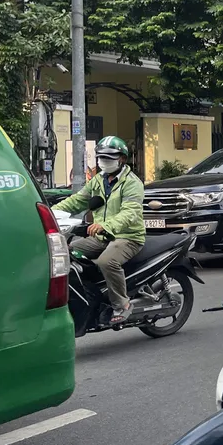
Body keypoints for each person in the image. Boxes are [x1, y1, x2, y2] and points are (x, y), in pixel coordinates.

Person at [53, 136, 145, 324]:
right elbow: (77, 201)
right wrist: (50, 213)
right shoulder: (98, 180)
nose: (105, 161)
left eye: (110, 158)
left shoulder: (132, 183)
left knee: (107, 261)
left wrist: (105, 225)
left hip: (127, 237)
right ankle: (92, 293)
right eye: (102, 157)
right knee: (67, 252)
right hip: (102, 237)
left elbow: (130, 213)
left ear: (122, 159)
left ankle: (122, 304)